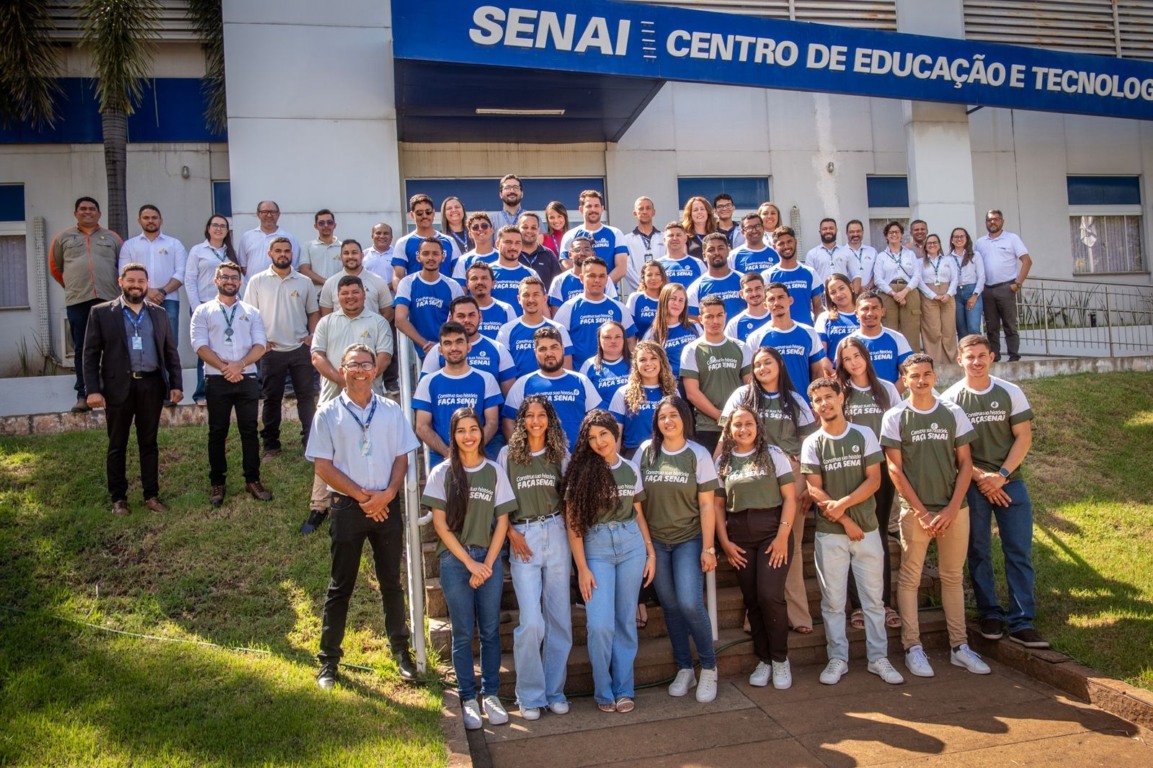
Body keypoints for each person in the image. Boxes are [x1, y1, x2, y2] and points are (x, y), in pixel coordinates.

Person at [308, 343, 421, 689]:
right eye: (353, 364)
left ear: (375, 370)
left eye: (366, 364)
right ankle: (328, 662)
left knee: (392, 583)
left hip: (386, 506)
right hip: (347, 508)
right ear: (342, 371)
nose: (359, 370)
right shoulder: (327, 413)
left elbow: (402, 456)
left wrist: (388, 494)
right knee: (340, 585)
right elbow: (322, 465)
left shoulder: (391, 410)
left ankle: (401, 652)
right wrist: (362, 497)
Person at [880, 353, 989, 678]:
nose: (921, 380)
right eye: (914, 375)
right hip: (916, 512)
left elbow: (966, 464)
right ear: (905, 379)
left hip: (954, 510)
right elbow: (894, 469)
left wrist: (953, 508)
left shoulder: (953, 412)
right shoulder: (895, 416)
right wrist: (921, 511)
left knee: (952, 576)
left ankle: (960, 647)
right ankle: (912, 646)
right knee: (910, 577)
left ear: (935, 377)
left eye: (927, 374)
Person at [942, 334, 1048, 648]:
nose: (976, 362)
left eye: (981, 355)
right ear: (959, 360)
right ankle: (989, 613)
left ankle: (1022, 621)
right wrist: (982, 478)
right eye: (969, 356)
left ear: (991, 357)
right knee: (978, 550)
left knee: (1018, 550)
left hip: (1010, 481)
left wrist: (1000, 476)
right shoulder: (950, 400)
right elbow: (954, 451)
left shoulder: (1010, 392)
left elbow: (1024, 438)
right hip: (972, 484)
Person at [802, 377, 906, 687]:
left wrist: (844, 506)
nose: (824, 403)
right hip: (830, 533)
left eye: (829, 396)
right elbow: (813, 489)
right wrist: (845, 520)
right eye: (818, 399)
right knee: (833, 602)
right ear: (813, 406)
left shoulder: (864, 434)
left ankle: (878, 658)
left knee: (873, 601)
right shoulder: (812, 442)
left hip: (868, 530)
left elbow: (874, 481)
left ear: (841, 398)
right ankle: (838, 658)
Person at [425, 407, 515, 731]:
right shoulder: (441, 473)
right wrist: (470, 563)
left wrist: (487, 564)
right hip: (456, 561)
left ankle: (490, 694)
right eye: (461, 430)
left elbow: (502, 521)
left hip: (488, 560)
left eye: (473, 429)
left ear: (481, 432)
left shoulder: (494, 471)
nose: (468, 436)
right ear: (453, 435)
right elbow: (440, 526)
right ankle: (467, 698)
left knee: (490, 630)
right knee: (463, 632)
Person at [562, 409, 655, 713]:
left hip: (631, 546)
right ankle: (603, 690)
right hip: (597, 549)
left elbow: (638, 513)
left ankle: (624, 688)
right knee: (600, 625)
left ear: (615, 432)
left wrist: (650, 552)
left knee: (625, 621)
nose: (599, 442)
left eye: (603, 434)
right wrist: (582, 569)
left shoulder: (630, 468)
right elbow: (573, 527)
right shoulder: (580, 473)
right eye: (591, 438)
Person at [719, 346, 816, 636]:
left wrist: (810, 483)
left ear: (780, 365)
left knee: (789, 543)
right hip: (749, 473)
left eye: (768, 363)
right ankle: (756, 618)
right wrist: (713, 470)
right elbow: (725, 438)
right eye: (758, 364)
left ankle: (797, 614)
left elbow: (810, 443)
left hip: (791, 472)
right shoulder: (742, 395)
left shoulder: (794, 399)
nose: (762, 368)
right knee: (753, 549)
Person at [82, 263, 182, 515]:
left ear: (147, 284)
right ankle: (119, 499)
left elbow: (170, 351)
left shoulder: (159, 314)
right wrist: (92, 390)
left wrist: (176, 385)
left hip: (151, 385)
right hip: (117, 387)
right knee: (117, 444)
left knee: (149, 442)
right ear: (121, 282)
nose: (136, 285)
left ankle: (151, 496)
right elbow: (90, 354)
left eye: (141, 281)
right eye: (131, 281)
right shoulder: (102, 312)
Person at [639, 395, 721, 702]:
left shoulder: (698, 454)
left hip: (688, 539)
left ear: (684, 418)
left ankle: (709, 667)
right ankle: (685, 667)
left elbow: (707, 505)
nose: (668, 421)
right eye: (662, 417)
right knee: (671, 606)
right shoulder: (646, 451)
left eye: (673, 415)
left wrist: (709, 548)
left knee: (689, 603)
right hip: (656, 543)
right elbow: (635, 499)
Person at [499, 396, 573, 720]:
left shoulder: (560, 454)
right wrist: (510, 533)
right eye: (529, 415)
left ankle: (554, 691)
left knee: (559, 619)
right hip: (522, 535)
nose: (536, 421)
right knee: (531, 621)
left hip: (556, 531)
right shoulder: (507, 455)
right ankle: (529, 696)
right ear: (522, 420)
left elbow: (569, 499)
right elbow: (499, 501)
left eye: (542, 415)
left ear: (550, 419)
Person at [714, 404, 798, 689]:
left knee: (769, 595)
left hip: (772, 533)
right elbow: (718, 505)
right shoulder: (723, 460)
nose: (743, 429)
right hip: (739, 537)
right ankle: (764, 660)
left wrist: (782, 536)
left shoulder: (773, 454)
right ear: (729, 429)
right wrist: (725, 542)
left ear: (757, 426)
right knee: (752, 599)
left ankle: (780, 659)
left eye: (748, 423)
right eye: (737, 424)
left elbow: (790, 498)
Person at [304, 276, 394, 534]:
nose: (350, 297)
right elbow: (317, 356)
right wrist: (345, 381)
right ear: (337, 296)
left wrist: (362, 381)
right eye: (344, 293)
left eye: (355, 292)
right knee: (326, 453)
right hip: (332, 399)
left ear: (364, 294)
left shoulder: (378, 322)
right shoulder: (326, 322)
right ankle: (319, 506)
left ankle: (372, 498)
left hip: (370, 401)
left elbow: (384, 357)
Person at [835, 337, 903, 632]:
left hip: (883, 472)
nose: (853, 363)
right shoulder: (840, 391)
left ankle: (883, 603)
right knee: (853, 537)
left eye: (857, 356)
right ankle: (858, 606)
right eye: (847, 359)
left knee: (878, 536)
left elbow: (899, 428)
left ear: (866, 357)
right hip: (849, 472)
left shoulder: (886, 389)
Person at [189, 261, 270, 507]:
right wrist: (225, 368)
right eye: (224, 277)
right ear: (216, 280)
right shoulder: (202, 311)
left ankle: (252, 479)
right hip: (217, 379)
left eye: (234, 277)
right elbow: (199, 345)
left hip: (246, 378)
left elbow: (260, 345)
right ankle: (218, 482)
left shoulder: (251, 312)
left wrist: (240, 364)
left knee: (249, 430)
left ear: (240, 282)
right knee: (217, 431)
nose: (229, 281)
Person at [243, 236, 320, 459]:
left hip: (300, 349)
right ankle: (271, 445)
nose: (283, 254)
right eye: (278, 251)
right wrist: (260, 342)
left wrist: (312, 336)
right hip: (270, 351)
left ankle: (310, 443)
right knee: (271, 399)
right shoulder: (257, 281)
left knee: (306, 397)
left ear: (291, 254)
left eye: (287, 251)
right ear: (270, 253)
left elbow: (313, 312)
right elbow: (249, 315)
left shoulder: (304, 281)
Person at [50, 196, 123, 413]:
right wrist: (74, 286)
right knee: (82, 348)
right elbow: (56, 268)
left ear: (99, 214)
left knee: (112, 346)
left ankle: (112, 393)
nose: (88, 212)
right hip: (78, 300)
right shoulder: (63, 238)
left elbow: (122, 266)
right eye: (83, 209)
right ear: (76, 213)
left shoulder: (113, 238)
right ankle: (83, 394)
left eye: (92, 209)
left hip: (108, 300)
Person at [413, 322, 502, 465]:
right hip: (442, 459)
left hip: (479, 457)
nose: (454, 348)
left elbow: (492, 422)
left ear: (469, 347)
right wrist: (449, 453)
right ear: (440, 350)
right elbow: (421, 426)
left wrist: (471, 450)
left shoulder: (487, 379)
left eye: (459, 342)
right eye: (447, 343)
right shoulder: (428, 382)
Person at [503, 326, 601, 452]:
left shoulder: (582, 381)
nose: (549, 353)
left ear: (563, 349)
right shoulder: (523, 383)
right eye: (543, 349)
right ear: (535, 352)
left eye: (554, 347)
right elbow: (509, 422)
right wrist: (524, 453)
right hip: (539, 461)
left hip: (578, 458)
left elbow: (597, 420)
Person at [681, 295, 752, 454]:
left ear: (725, 316)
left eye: (719, 315)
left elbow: (751, 386)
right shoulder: (691, 350)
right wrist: (721, 416)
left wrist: (735, 418)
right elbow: (692, 393)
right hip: (707, 427)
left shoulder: (741, 347)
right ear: (700, 319)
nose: (715, 321)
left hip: (739, 425)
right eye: (709, 316)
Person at [747, 282, 832, 400]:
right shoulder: (756, 337)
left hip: (803, 403)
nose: (776, 303)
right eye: (771, 299)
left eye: (781, 297)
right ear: (765, 305)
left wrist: (815, 400)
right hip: (771, 405)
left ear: (790, 300)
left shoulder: (809, 332)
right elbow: (751, 376)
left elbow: (817, 371)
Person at [118, 204, 187, 348]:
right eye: (146, 218)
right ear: (139, 221)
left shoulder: (174, 244)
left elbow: (181, 273)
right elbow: (123, 273)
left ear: (161, 220)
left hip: (168, 300)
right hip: (138, 299)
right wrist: (148, 291)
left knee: (169, 344)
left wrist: (162, 292)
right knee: (140, 343)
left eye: (154, 218)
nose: (150, 220)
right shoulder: (129, 245)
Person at [185, 214, 236, 405]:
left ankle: (226, 389)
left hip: (227, 308)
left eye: (223, 226)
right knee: (204, 349)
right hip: (204, 306)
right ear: (208, 228)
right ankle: (201, 393)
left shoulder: (231, 252)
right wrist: (197, 307)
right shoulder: (198, 251)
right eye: (215, 225)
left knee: (226, 348)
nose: (219, 229)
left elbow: (239, 279)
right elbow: (190, 280)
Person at [421, 296, 517, 395]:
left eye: (471, 315)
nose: (467, 320)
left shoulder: (498, 349)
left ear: (480, 316)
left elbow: (509, 397)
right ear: (451, 318)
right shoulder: (437, 351)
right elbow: (425, 391)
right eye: (461, 316)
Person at [552, 256, 636, 368]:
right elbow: (557, 345)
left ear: (607, 279)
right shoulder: (568, 308)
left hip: (615, 375)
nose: (597, 280)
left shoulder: (619, 308)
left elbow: (630, 341)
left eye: (601, 276)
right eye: (592, 276)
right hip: (580, 374)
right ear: (581, 278)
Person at [394, 236, 464, 357]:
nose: (430, 258)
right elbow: (400, 320)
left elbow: (461, 319)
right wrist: (425, 345)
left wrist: (443, 346)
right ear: (418, 257)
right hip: (421, 349)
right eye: (426, 253)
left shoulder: (453, 286)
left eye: (435, 254)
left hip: (448, 350)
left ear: (443, 257)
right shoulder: (407, 283)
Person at [976, 210, 1032, 362]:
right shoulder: (980, 243)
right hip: (987, 289)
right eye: (989, 220)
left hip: (1006, 288)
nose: (992, 222)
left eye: (996, 219)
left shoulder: (1012, 239)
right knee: (991, 326)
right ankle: (994, 357)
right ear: (986, 223)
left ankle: (1013, 356)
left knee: (1009, 324)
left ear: (1002, 221)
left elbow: (1027, 261)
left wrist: (1018, 283)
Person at [608, 341, 678, 459]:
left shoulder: (673, 392)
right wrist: (614, 463)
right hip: (635, 455)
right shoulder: (623, 392)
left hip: (668, 453)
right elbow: (616, 434)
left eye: (653, 358)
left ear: (661, 361)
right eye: (643, 360)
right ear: (635, 364)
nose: (648, 363)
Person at [497, 277, 574, 378]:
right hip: (521, 387)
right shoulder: (506, 330)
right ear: (519, 299)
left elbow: (567, 370)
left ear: (545, 298)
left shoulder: (558, 329)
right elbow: (504, 372)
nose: (531, 300)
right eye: (526, 295)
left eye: (536, 295)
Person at [872, 221, 923, 353]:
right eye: (891, 232)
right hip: (888, 293)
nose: (894, 235)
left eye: (897, 232)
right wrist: (894, 294)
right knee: (889, 329)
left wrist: (904, 292)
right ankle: (891, 357)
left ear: (901, 235)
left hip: (909, 291)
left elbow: (916, 275)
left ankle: (912, 360)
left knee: (911, 330)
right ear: (886, 236)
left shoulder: (910, 254)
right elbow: (878, 279)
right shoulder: (881, 256)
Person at [318, 238, 394, 322]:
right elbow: (326, 317)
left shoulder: (378, 281)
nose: (350, 256)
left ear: (362, 255)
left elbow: (388, 313)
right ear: (341, 257)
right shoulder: (330, 283)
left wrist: (375, 328)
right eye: (346, 253)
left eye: (354, 253)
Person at [560, 190, 628, 284]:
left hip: (607, 290)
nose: (593, 210)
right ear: (581, 209)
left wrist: (602, 284)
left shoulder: (616, 233)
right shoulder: (570, 235)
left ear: (602, 209)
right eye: (589, 206)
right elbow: (566, 264)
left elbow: (621, 268)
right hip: (578, 289)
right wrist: (585, 284)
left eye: (596, 206)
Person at [849, 291, 913, 390]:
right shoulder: (848, 342)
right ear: (856, 313)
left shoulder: (897, 338)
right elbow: (842, 377)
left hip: (891, 398)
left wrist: (890, 395)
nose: (870, 313)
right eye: (865, 309)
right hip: (859, 399)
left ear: (882, 311)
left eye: (875, 308)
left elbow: (909, 373)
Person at [391, 194, 457, 289]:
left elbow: (458, 274)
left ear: (433, 213)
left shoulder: (449, 241)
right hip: (416, 296)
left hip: (446, 295)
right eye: (419, 213)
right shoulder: (403, 242)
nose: (424, 216)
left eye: (428, 212)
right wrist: (402, 296)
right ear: (412, 215)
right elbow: (398, 276)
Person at [761, 226, 823, 325]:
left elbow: (818, 308)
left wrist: (819, 330)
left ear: (795, 242)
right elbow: (763, 309)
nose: (786, 246)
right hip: (778, 331)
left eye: (789, 241)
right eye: (781, 243)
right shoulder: (767, 275)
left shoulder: (810, 272)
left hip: (805, 330)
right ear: (774, 247)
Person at [642, 282, 700, 379]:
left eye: (681, 300)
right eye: (673, 299)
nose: (677, 303)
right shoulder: (652, 334)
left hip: (696, 380)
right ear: (664, 300)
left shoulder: (694, 326)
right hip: (670, 383)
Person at [918, 233, 959, 365]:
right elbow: (919, 281)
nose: (932, 245)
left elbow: (955, 279)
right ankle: (935, 362)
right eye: (929, 243)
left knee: (949, 330)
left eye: (935, 242)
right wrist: (932, 295)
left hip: (947, 296)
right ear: (925, 246)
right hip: (929, 297)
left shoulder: (949, 260)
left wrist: (949, 294)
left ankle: (950, 362)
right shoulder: (920, 262)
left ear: (939, 245)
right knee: (933, 330)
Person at [548, 236, 619, 308]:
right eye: (577, 250)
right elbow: (556, 312)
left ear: (593, 254)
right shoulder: (559, 281)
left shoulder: (605, 279)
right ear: (570, 255)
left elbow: (614, 306)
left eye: (586, 249)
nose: (582, 253)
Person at [686, 233, 744, 319]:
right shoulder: (695, 288)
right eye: (711, 250)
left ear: (728, 251)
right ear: (704, 255)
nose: (716, 253)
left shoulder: (743, 280)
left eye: (720, 248)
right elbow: (693, 319)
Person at [237, 200, 300, 276]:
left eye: (273, 212)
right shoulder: (247, 237)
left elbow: (294, 266)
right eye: (265, 212)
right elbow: (243, 266)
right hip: (253, 283)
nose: (269, 215)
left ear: (278, 214)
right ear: (258, 214)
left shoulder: (289, 238)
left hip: (281, 283)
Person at [580, 321, 632, 405]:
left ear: (624, 339)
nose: (613, 341)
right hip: (601, 413)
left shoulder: (635, 363)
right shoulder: (589, 365)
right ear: (599, 340)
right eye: (607, 337)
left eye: (617, 337)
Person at [622, 196, 667, 293]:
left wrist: (660, 285)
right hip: (638, 292)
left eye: (648, 208)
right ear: (635, 213)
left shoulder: (664, 237)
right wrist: (643, 286)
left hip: (662, 292)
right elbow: (627, 268)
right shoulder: (626, 240)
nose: (645, 211)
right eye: (641, 209)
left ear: (653, 212)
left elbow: (667, 264)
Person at [463, 261, 517, 339]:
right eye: (474, 278)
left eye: (484, 278)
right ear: (467, 284)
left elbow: (514, 338)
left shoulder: (506, 309)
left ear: (493, 283)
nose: (479, 282)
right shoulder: (459, 309)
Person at [491, 226, 540, 312]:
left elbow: (542, 307)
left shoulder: (531, 274)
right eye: (508, 242)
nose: (513, 247)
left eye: (517, 243)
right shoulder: (487, 272)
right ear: (497, 244)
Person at [814, 273, 859, 364]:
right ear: (829, 296)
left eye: (841, 288)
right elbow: (821, 355)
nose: (838, 294)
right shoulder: (824, 318)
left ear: (851, 287)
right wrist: (833, 371)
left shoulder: (865, 315)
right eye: (833, 292)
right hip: (834, 370)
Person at [950, 227, 985, 340]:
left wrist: (975, 295)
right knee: (961, 330)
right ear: (952, 240)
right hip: (956, 294)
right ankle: (965, 351)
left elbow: (981, 277)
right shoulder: (948, 258)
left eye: (962, 236)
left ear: (967, 239)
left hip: (972, 291)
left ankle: (978, 350)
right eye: (956, 237)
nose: (959, 239)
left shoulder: (975, 255)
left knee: (973, 328)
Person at [518, 212, 564, 292]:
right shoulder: (513, 254)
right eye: (525, 227)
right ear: (518, 229)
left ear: (538, 230)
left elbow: (558, 284)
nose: (529, 231)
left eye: (533, 228)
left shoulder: (548, 254)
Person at [298, 209, 343, 290]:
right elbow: (304, 270)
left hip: (338, 293)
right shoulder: (307, 246)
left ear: (334, 225)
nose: (326, 225)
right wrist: (326, 283)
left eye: (329, 222)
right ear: (316, 226)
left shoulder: (343, 247)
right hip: (315, 294)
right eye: (321, 223)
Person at [655, 221, 706, 289]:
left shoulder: (698, 263)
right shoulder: (657, 265)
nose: (675, 238)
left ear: (685, 239)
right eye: (671, 235)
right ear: (664, 240)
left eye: (678, 235)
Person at [725, 272, 772, 344]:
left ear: (765, 289)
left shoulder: (775, 316)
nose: (754, 294)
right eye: (749, 290)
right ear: (742, 294)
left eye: (758, 288)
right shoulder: (734, 324)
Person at [451, 212, 497, 285]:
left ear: (491, 230)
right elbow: (460, 289)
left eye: (484, 226)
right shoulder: (463, 260)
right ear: (470, 234)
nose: (480, 229)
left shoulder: (502, 257)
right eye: (475, 227)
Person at [626, 260, 667, 340]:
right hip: (642, 345)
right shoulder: (635, 298)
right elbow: (629, 328)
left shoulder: (668, 298)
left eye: (657, 274)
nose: (653, 278)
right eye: (649, 275)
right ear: (643, 278)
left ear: (662, 277)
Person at [805, 218, 848, 284]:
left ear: (836, 230)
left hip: (842, 290)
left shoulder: (846, 252)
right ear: (820, 232)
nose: (828, 231)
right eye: (824, 229)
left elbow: (855, 275)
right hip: (821, 290)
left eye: (831, 228)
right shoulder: (812, 254)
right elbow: (809, 277)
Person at [843, 219, 877, 294]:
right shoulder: (841, 252)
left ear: (863, 232)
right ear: (847, 233)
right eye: (852, 232)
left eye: (858, 231)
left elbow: (877, 273)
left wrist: (868, 287)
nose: (855, 234)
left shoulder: (872, 251)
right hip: (850, 293)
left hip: (869, 293)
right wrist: (857, 288)